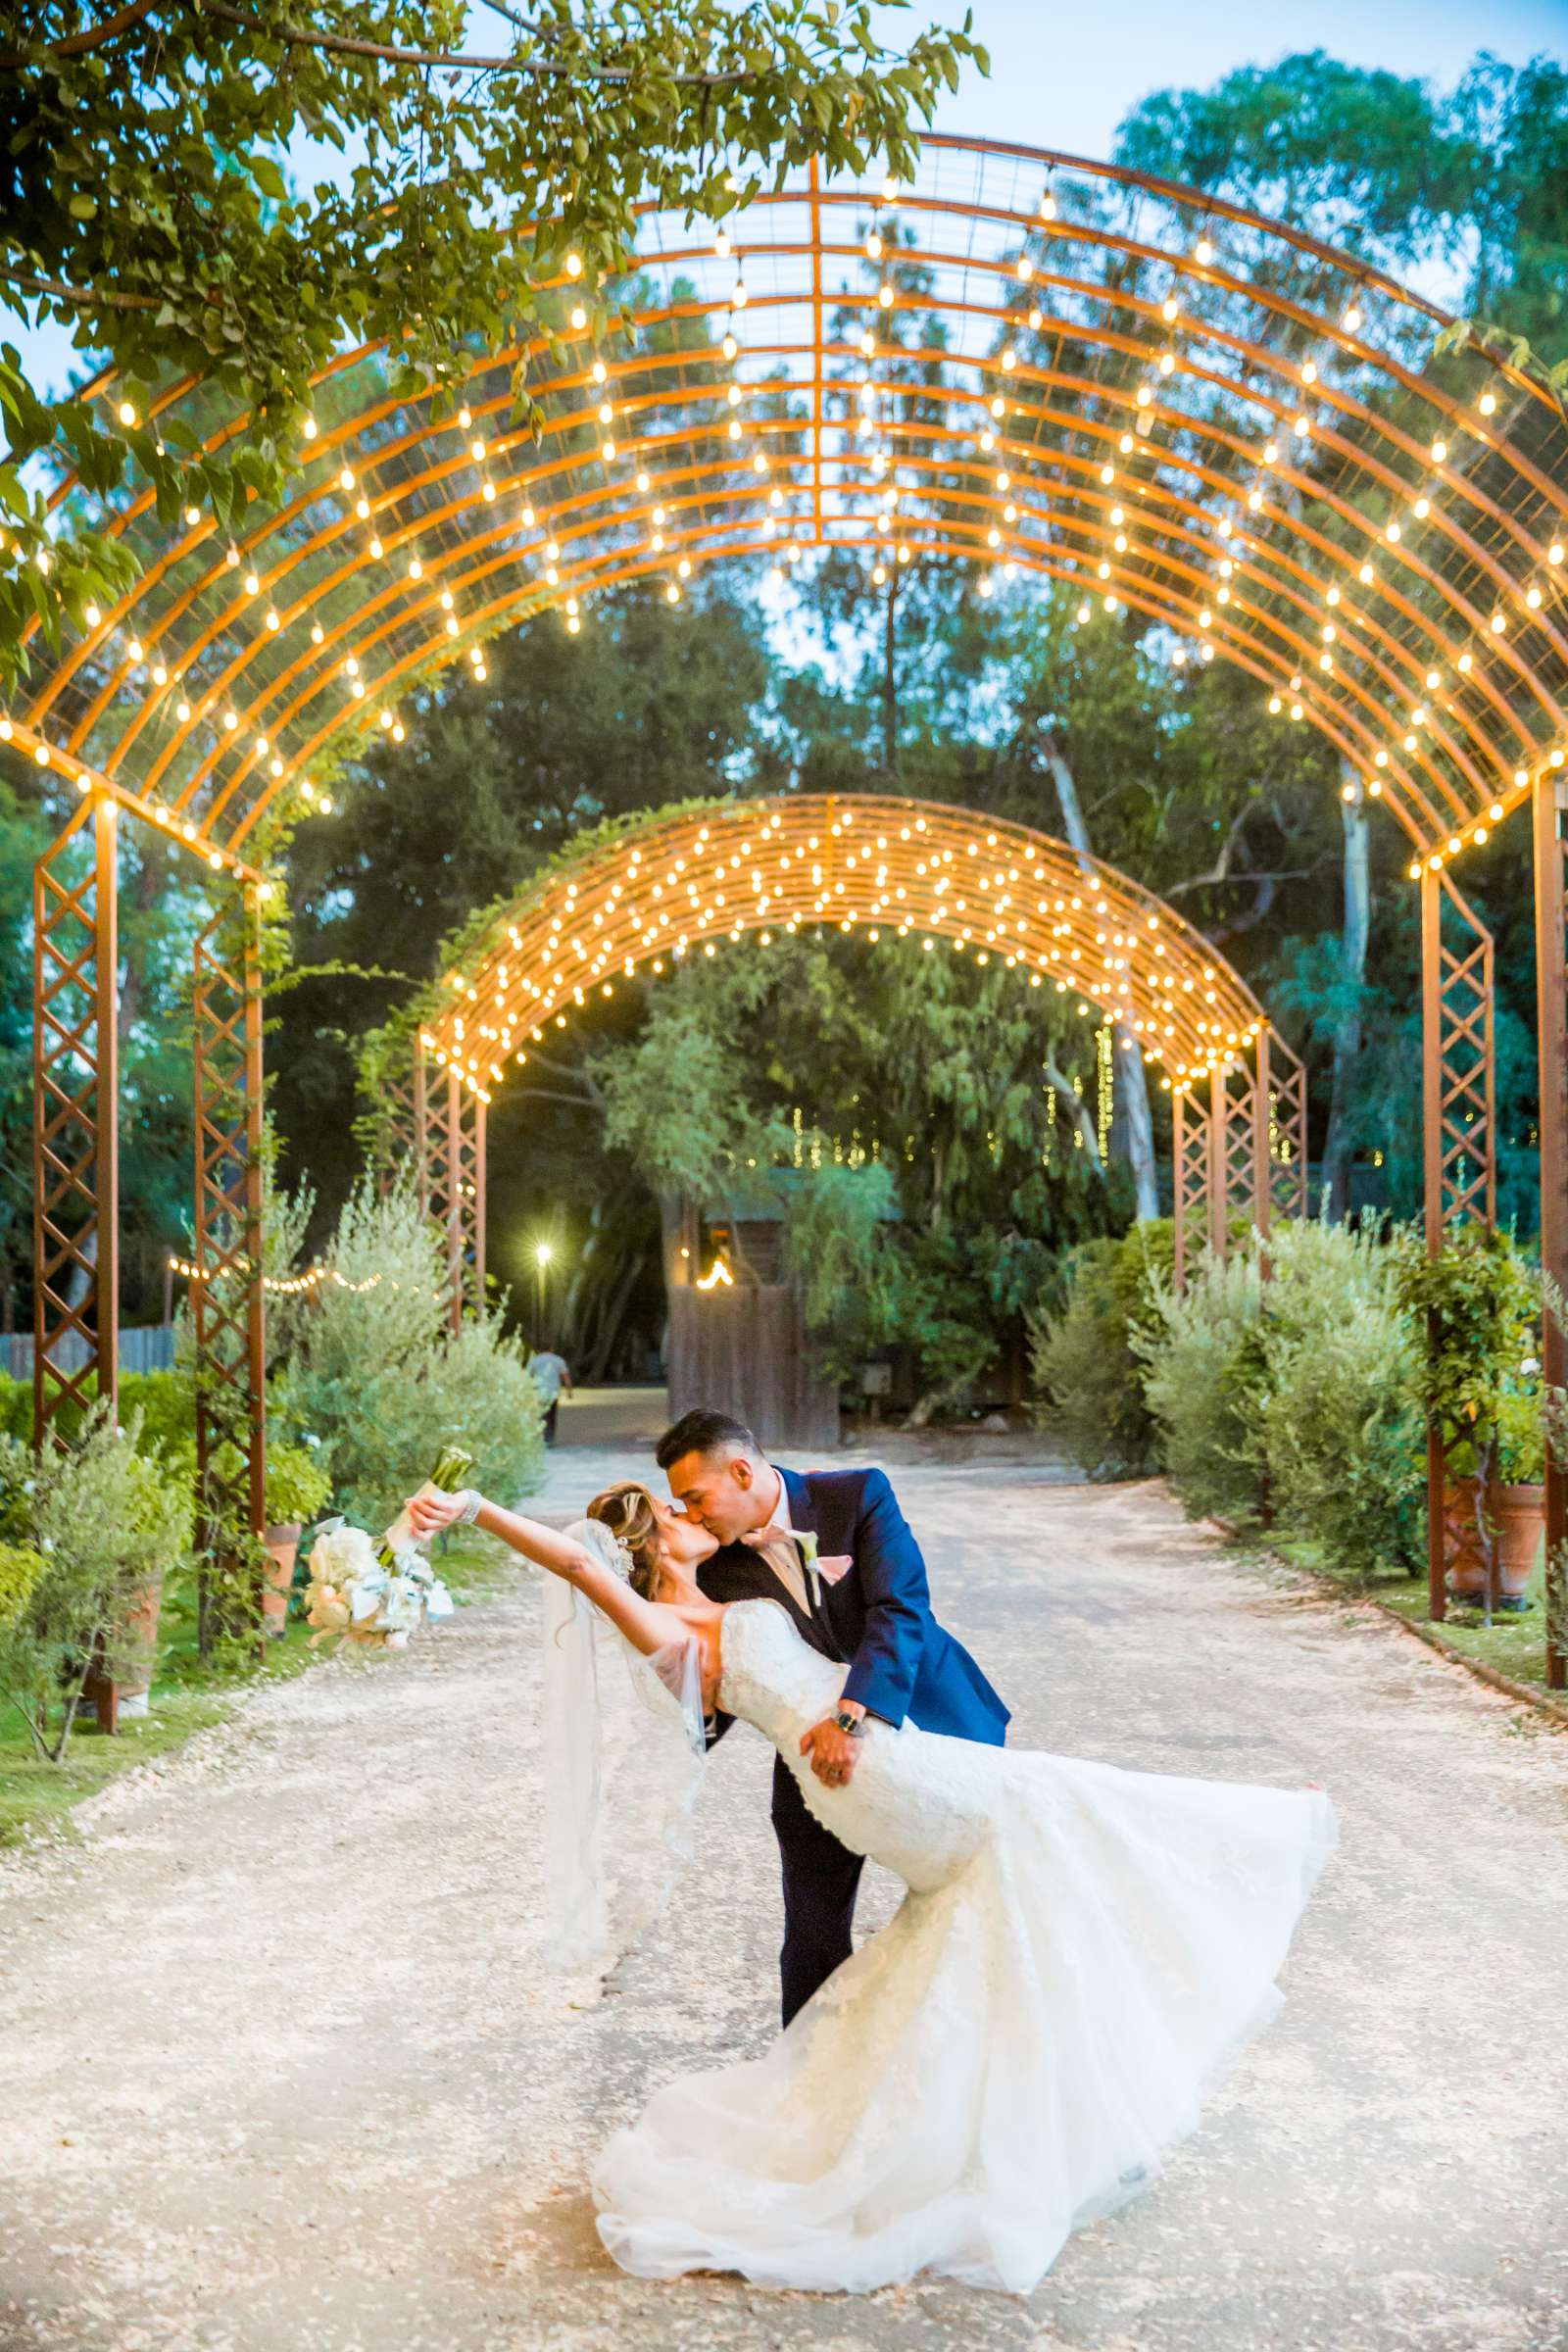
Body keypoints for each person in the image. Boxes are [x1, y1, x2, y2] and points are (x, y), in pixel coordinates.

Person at [406, 1470, 1338, 2298]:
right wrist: (477, 1510)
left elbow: (869, 1612)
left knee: (1017, 1871)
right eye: (679, 1514)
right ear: (657, 1552)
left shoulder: (731, 1586)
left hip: (889, 1745)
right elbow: (580, 1568)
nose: (693, 1516)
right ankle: (1260, 1834)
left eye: (692, 1498)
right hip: (867, 1775)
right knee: (1052, 1814)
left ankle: (1003, 2129)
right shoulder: (669, 1631)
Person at [657, 1406, 1007, 2025]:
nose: (689, 1513)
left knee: (968, 1899)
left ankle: (972, 2043)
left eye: (694, 1496)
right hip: (811, 1760)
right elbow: (739, 1668)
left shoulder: (857, 1495)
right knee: (812, 1932)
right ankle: (806, 2072)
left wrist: (852, 1718)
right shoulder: (714, 1565)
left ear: (741, 1471)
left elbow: (902, 1610)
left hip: (934, 1724)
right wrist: (696, 1726)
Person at [525, 1347, 571, 1446]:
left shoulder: (535, 1360)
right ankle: (550, 1438)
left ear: (540, 1350)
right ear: (551, 1349)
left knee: (539, 1415)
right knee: (551, 1416)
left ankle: (538, 1437)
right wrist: (569, 1390)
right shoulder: (558, 1360)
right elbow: (565, 1376)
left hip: (539, 1390)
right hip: (553, 1391)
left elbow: (527, 1375)